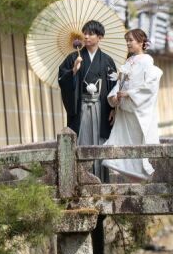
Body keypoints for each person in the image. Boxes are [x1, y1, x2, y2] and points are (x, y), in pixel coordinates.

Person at [58, 20, 117, 181]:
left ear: (100, 37)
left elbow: (114, 86)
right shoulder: (73, 58)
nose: (86, 36)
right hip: (81, 106)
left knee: (100, 141)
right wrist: (73, 71)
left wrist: (113, 108)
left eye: (90, 34)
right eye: (85, 33)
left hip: (101, 107)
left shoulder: (107, 61)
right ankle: (81, 179)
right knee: (81, 139)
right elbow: (62, 80)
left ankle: (101, 179)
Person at [103, 28, 163, 181]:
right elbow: (120, 84)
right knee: (120, 141)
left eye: (131, 40)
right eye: (127, 40)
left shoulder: (147, 61)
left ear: (141, 42)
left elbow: (151, 85)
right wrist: (114, 99)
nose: (128, 43)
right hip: (124, 109)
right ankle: (133, 177)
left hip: (137, 108)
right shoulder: (128, 61)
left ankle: (141, 176)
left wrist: (130, 93)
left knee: (137, 143)